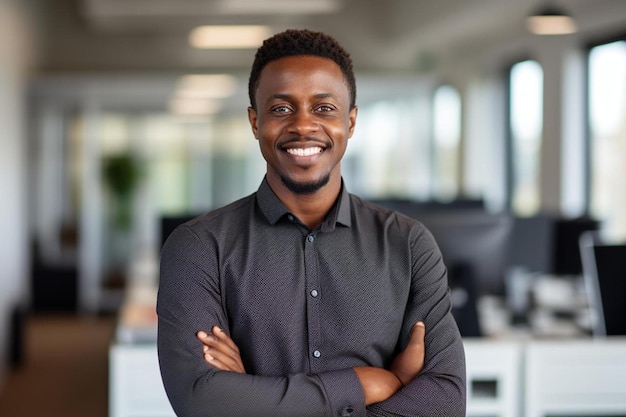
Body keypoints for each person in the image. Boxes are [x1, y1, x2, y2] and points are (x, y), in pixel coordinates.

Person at [157, 29, 466, 416]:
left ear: (350, 123)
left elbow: (445, 402)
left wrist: (255, 395)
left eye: (323, 108)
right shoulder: (199, 247)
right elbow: (202, 401)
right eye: (281, 109)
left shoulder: (408, 244)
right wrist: (366, 383)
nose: (303, 125)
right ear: (255, 123)